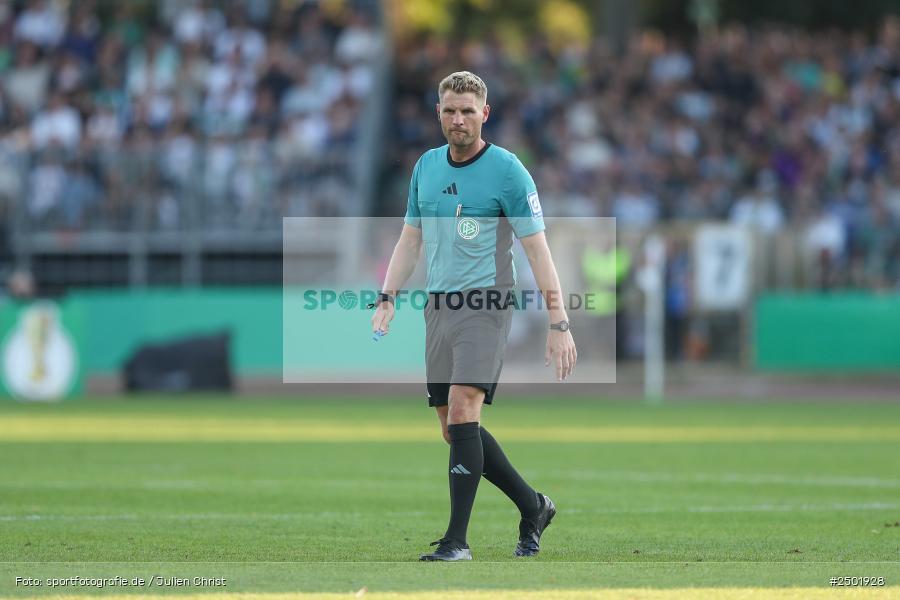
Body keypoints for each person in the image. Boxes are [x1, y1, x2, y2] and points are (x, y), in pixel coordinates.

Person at [370, 71, 577, 561]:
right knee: (453, 428)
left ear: (485, 113)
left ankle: (456, 543)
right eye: (449, 110)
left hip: (485, 304)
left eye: (467, 110)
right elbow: (410, 239)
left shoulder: (507, 171)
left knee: (464, 411)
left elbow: (538, 250)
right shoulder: (425, 166)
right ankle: (533, 506)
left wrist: (559, 322)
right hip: (438, 308)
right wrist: (387, 297)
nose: (457, 119)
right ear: (438, 113)